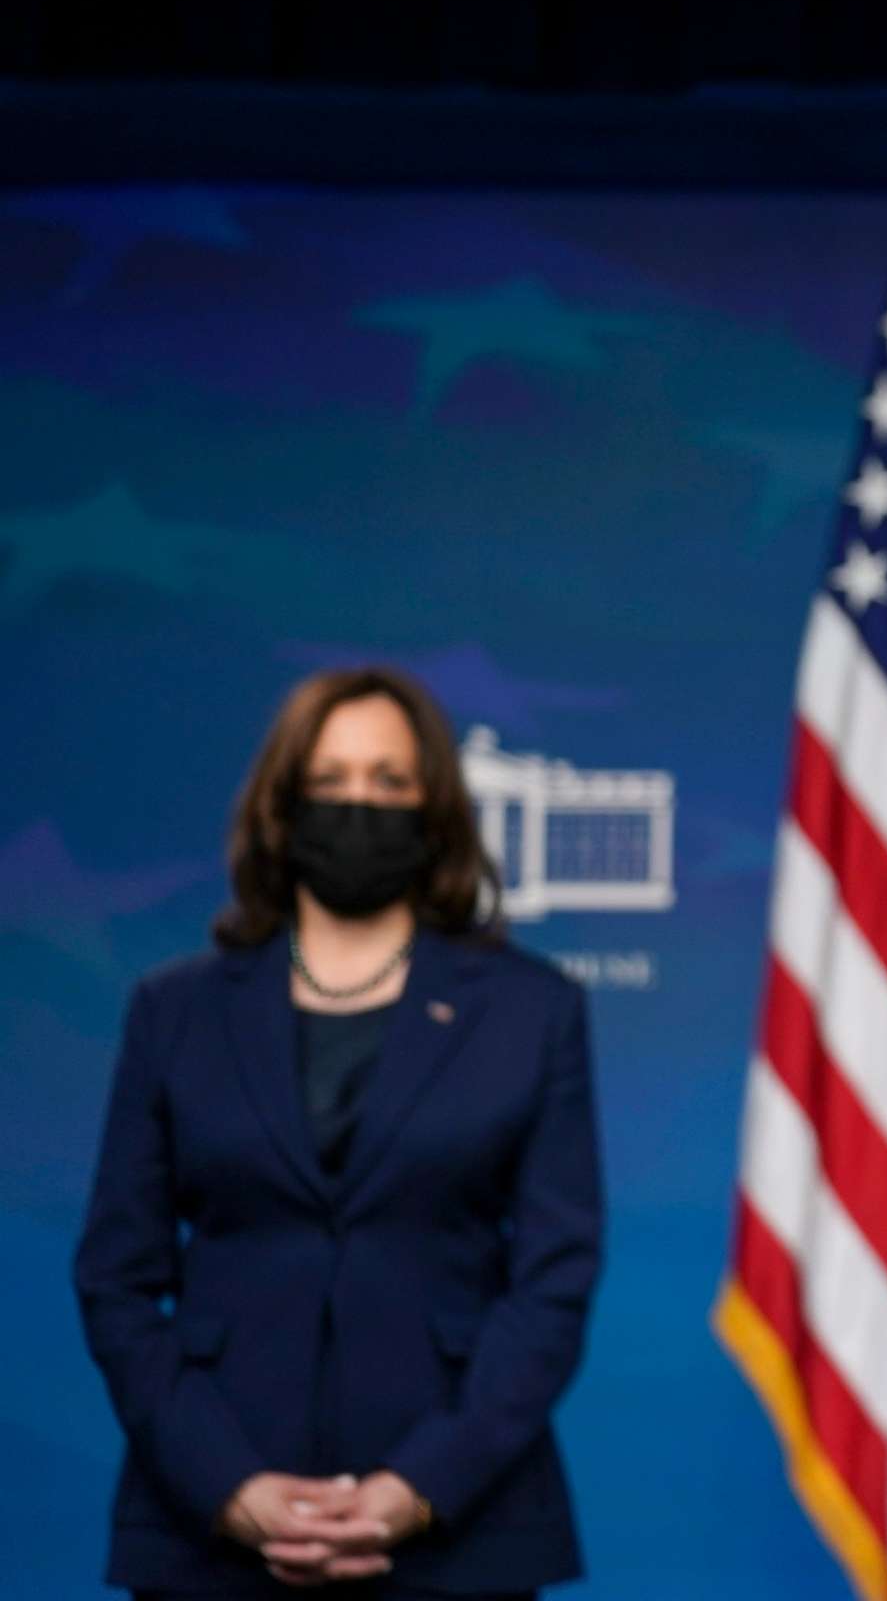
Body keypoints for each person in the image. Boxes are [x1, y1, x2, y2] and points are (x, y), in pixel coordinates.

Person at [74, 667, 602, 1598]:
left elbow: (553, 1282)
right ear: (283, 806)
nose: (360, 804)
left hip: (459, 1538)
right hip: (208, 1537)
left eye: (390, 782)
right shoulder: (174, 1012)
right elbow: (116, 1278)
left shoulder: (533, 1011)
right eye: (332, 781)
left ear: (434, 806)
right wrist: (227, 1485)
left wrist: (420, 1487)